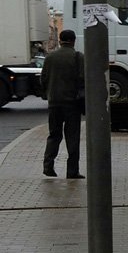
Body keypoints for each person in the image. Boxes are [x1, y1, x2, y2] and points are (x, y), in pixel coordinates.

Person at [40, 30, 85, 179]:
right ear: (73, 40)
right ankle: (72, 171)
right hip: (72, 103)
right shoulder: (78, 57)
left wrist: (49, 94)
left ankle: (48, 166)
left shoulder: (50, 57)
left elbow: (43, 79)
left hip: (54, 103)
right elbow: (82, 79)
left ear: (60, 40)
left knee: (54, 135)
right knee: (72, 137)